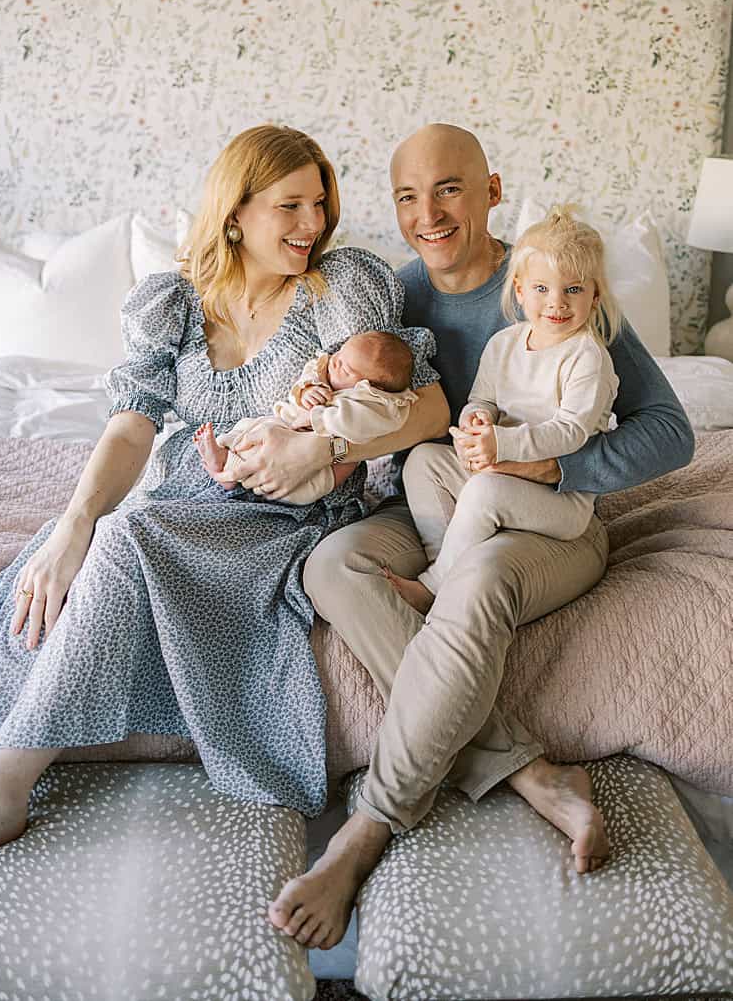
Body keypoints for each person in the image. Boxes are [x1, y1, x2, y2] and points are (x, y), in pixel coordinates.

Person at [259, 124, 692, 951]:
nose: (429, 213)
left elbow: (670, 431)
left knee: (481, 577)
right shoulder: (397, 294)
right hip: (441, 500)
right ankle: (527, 768)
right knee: (333, 565)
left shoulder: (555, 288)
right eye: (409, 197)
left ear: (491, 191)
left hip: (550, 518)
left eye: (450, 189)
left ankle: (369, 826)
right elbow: (349, 386)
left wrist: (549, 470)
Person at [0, 124, 448, 850]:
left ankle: (8, 778)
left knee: (132, 534)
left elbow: (411, 404)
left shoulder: (341, 288)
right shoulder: (172, 302)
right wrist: (74, 521)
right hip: (187, 498)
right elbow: (132, 427)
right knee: (77, 549)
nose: (313, 224)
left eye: (319, 204)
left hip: (287, 513)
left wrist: (322, 446)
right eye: (290, 206)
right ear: (234, 212)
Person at [388, 206, 621, 613]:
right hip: (500, 463)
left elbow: (570, 432)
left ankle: (433, 587)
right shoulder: (505, 344)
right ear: (519, 289)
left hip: (561, 500)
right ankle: (444, 557)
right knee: (422, 460)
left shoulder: (587, 357)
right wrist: (476, 420)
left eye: (574, 290)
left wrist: (501, 442)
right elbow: (483, 400)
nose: (557, 304)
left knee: (484, 490)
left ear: (595, 295)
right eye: (542, 289)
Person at [193, 329, 419, 506]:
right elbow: (311, 372)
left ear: (369, 386)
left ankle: (230, 471)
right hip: (285, 426)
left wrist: (318, 418)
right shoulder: (329, 373)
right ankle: (225, 460)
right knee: (252, 427)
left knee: (289, 467)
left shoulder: (374, 405)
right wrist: (307, 389)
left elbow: (354, 424)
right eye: (340, 353)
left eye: (346, 368)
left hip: (320, 468)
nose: (335, 361)